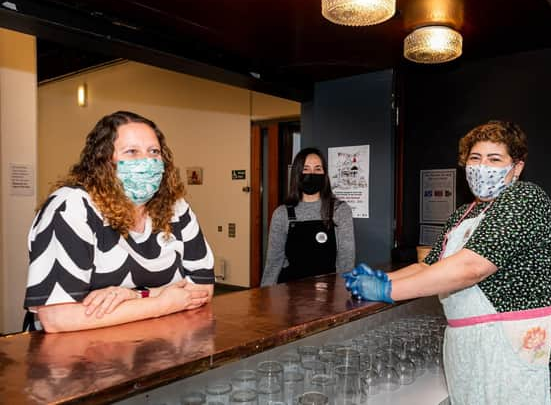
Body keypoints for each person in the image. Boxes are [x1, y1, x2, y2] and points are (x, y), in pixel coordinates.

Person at [344, 120, 551, 404]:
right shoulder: (463, 214)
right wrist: (382, 279)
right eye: (475, 158)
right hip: (472, 347)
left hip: (519, 343)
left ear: (517, 167)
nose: (482, 166)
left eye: (495, 159)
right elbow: (428, 266)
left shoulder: (525, 198)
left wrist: (388, 291)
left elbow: (471, 267)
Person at [24, 111, 215, 333]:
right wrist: (162, 303)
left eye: (154, 151)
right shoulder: (71, 206)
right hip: (74, 355)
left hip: (154, 346)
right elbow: (58, 317)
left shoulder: (176, 208)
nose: (146, 161)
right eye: (131, 152)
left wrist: (134, 295)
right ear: (104, 161)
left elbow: (203, 289)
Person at [261, 147, 355, 286]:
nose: (312, 173)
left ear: (325, 174)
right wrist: (265, 297)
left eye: (318, 169)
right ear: (297, 174)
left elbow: (346, 261)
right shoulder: (282, 214)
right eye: (306, 169)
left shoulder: (340, 210)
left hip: (327, 295)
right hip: (289, 295)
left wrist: (343, 295)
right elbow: (274, 262)